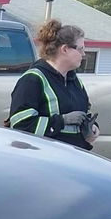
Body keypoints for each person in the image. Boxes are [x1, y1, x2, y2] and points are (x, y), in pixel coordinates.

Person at [8, 18, 98, 150]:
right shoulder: (32, 80)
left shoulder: (74, 80)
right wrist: (62, 121)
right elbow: (20, 125)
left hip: (75, 157)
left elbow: (84, 112)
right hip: (45, 159)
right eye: (80, 49)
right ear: (65, 49)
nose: (83, 54)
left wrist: (92, 127)